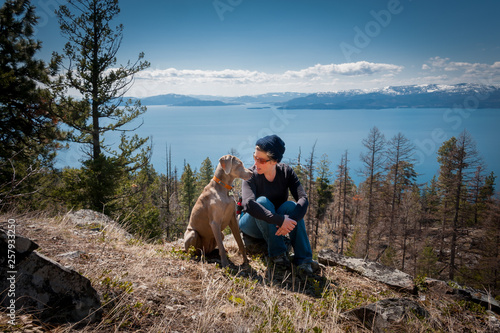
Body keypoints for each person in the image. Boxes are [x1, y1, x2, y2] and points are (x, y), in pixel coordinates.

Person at [238, 134, 315, 275]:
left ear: (274, 161)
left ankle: (303, 261)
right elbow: (249, 204)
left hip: (275, 223)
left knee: (292, 206)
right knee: (262, 201)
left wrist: (289, 222)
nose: (256, 163)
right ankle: (278, 256)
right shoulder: (250, 175)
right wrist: (280, 221)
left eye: (261, 160)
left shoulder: (286, 172)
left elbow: (303, 198)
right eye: (255, 157)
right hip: (251, 224)